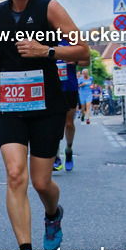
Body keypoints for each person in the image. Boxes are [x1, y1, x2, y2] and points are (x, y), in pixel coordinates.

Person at [0, 0, 89, 250]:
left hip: (46, 106)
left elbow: (83, 52)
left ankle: (53, 213)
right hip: (10, 103)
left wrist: (47, 51)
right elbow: (0, 49)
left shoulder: (49, 7)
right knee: (16, 175)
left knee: (41, 182)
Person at [53, 39, 84, 172]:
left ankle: (69, 150)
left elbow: (86, 60)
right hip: (53, 87)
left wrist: (74, 61)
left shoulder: (71, 39)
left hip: (70, 86)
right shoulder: (46, 36)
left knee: (69, 123)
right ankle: (56, 156)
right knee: (53, 122)